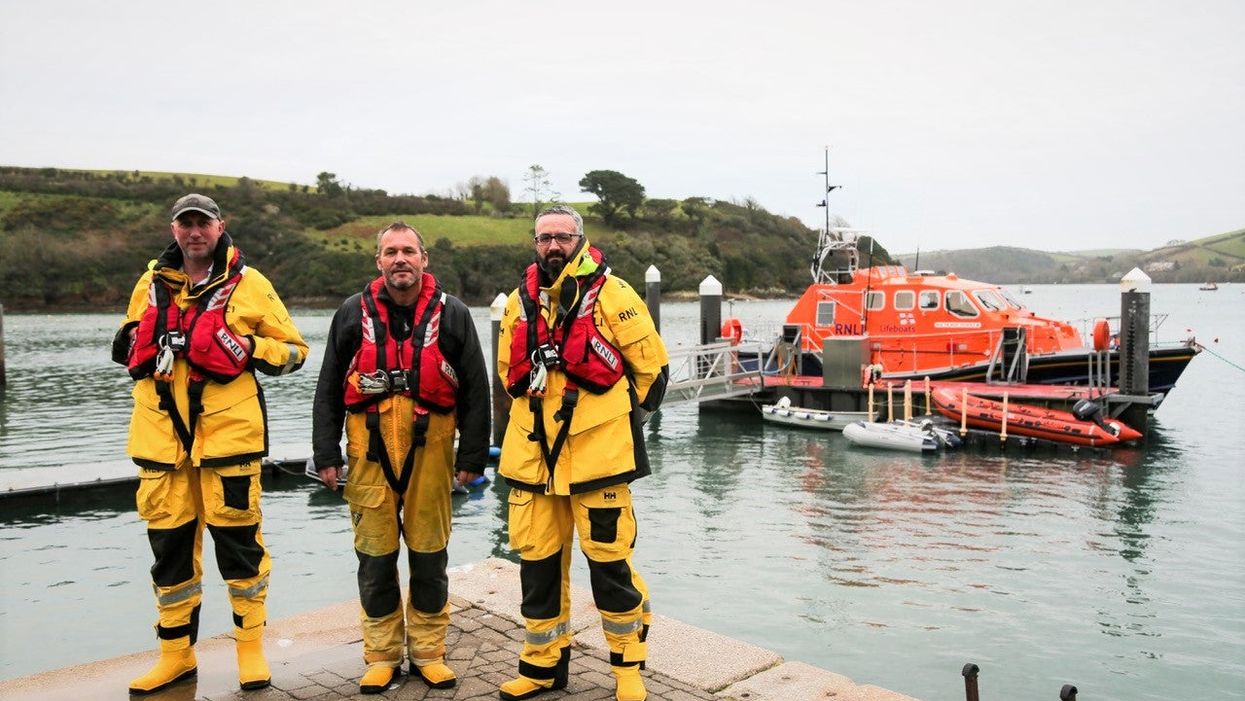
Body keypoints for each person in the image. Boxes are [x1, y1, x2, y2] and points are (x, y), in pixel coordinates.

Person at [112, 193, 309, 695]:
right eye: (186, 224)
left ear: (220, 227)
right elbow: (126, 340)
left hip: (229, 441)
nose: (194, 232)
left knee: (240, 549)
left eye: (203, 223)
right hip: (161, 444)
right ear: (174, 229)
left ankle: (250, 649)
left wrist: (247, 348)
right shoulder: (151, 281)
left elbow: (295, 353)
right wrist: (136, 341)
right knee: (170, 554)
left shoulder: (250, 283)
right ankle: (175, 655)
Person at [495, 205, 669, 701]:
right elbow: (509, 373)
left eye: (563, 237)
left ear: (580, 239)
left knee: (610, 566)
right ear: (534, 243)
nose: (553, 246)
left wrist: (608, 420)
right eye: (545, 237)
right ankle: (542, 667)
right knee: (538, 568)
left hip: (600, 460)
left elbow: (651, 374)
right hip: (533, 461)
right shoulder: (517, 303)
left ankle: (628, 670)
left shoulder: (615, 295)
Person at [312, 222, 490, 694]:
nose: (400, 260)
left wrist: (472, 456)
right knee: (374, 558)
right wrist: (325, 453)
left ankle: (430, 652)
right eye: (390, 252)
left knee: (430, 557)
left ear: (424, 259)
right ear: (378, 262)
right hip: (367, 453)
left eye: (408, 251)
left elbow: (476, 389)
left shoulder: (452, 315)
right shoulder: (352, 313)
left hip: (432, 452)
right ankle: (383, 655)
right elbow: (329, 386)